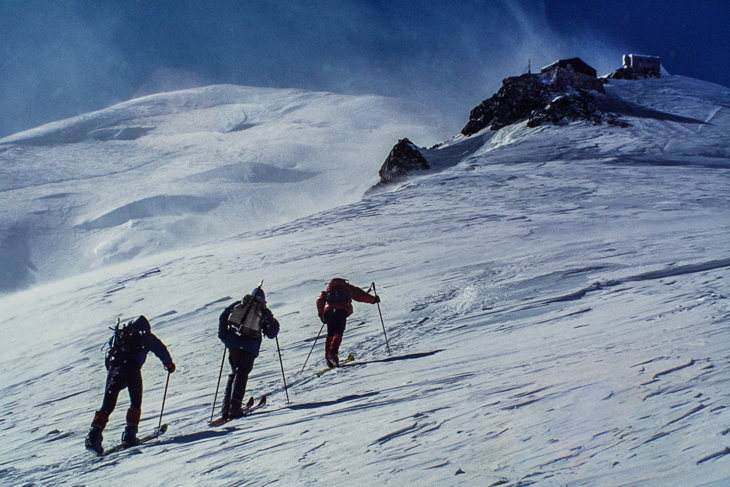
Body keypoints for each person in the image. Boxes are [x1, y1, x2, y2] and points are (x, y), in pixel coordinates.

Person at [85, 315, 175, 455]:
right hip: (132, 369)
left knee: (107, 406)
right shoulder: (144, 336)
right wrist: (169, 365)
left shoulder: (120, 337)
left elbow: (108, 358)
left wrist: (114, 373)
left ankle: (93, 437)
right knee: (135, 402)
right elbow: (160, 349)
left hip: (114, 370)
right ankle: (129, 436)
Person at [218, 287, 279, 420]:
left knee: (235, 372)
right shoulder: (263, 310)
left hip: (233, 342)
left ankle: (226, 408)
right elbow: (271, 334)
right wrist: (273, 322)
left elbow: (224, 315)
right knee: (242, 373)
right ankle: (234, 408)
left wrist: (223, 336)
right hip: (249, 346)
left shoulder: (240, 304)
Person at [316, 278, 380, 367]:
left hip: (329, 312)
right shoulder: (347, 288)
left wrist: (321, 314)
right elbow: (360, 296)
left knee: (330, 333)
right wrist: (374, 300)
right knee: (338, 332)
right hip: (342, 310)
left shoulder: (328, 290)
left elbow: (320, 300)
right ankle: (333, 354)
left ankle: (329, 359)